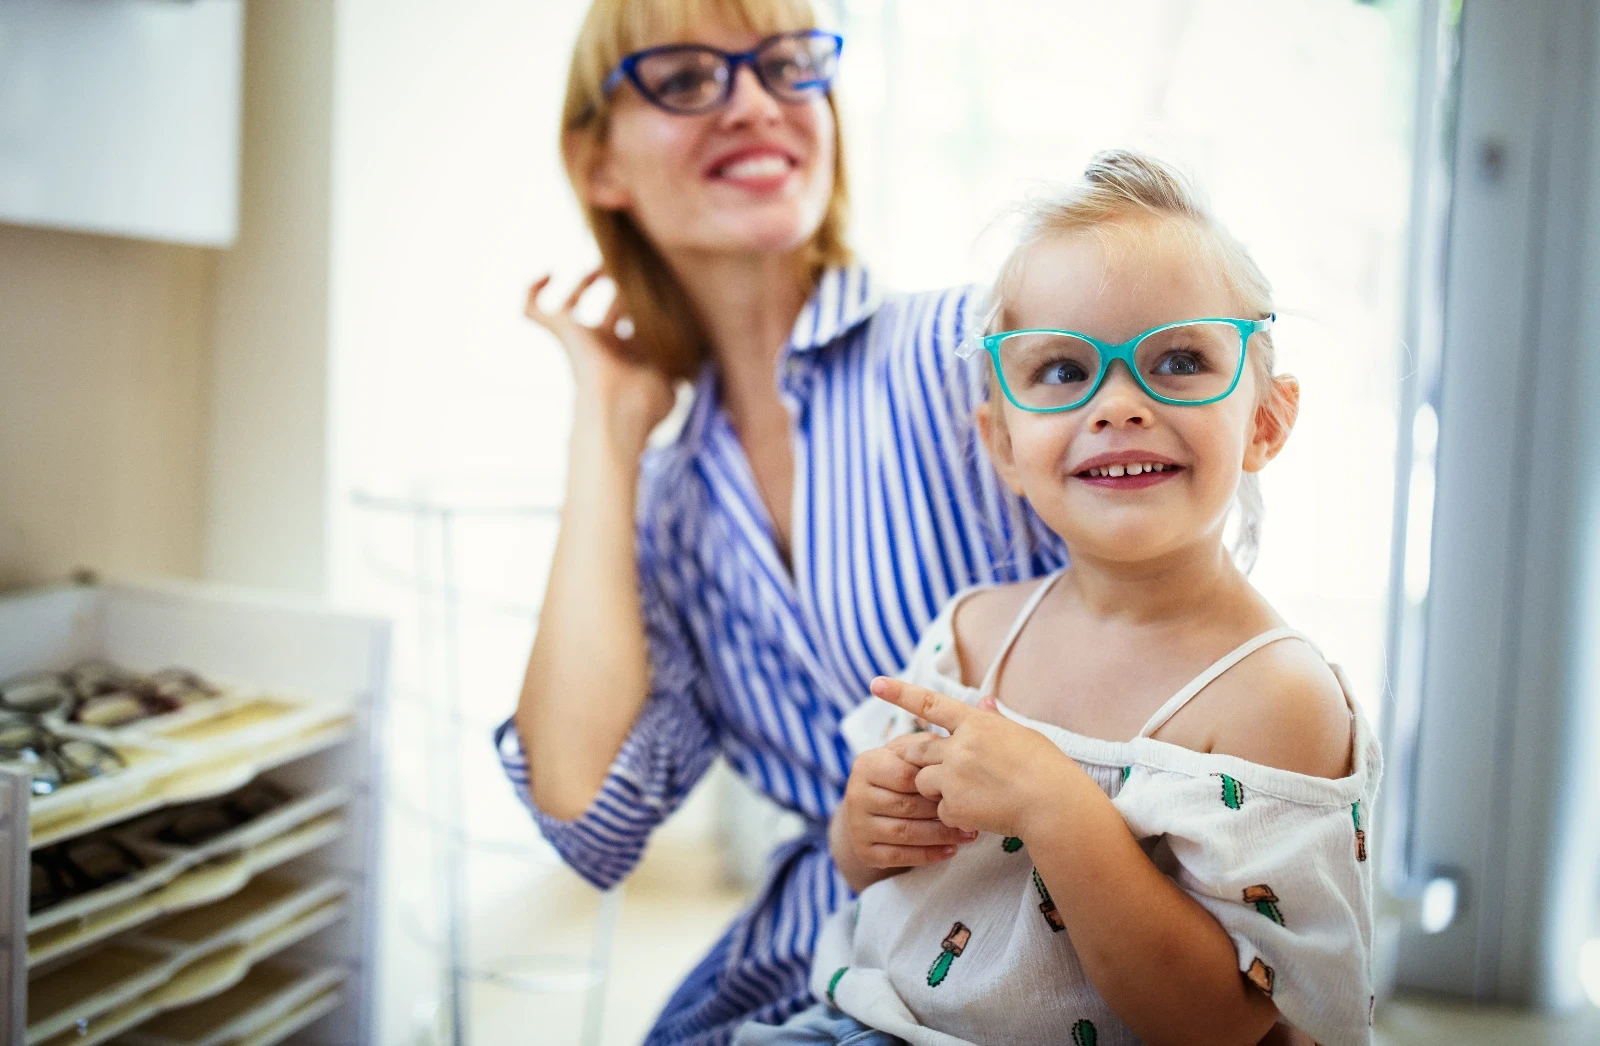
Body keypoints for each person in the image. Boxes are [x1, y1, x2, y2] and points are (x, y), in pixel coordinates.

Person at [498, 1, 1062, 1041]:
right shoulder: (670, 502)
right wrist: (607, 428)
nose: (754, 104)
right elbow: (588, 816)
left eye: (787, 64)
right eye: (684, 77)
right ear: (598, 162)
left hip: (1040, 956)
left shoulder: (972, 355)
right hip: (811, 958)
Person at [740, 151, 1381, 1046]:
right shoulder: (971, 633)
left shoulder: (1275, 697)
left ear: (1266, 422)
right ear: (1003, 443)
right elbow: (869, 877)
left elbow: (1221, 1023)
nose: (1118, 403)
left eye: (1180, 359)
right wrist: (866, 823)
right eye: (1062, 372)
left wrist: (1055, 806)